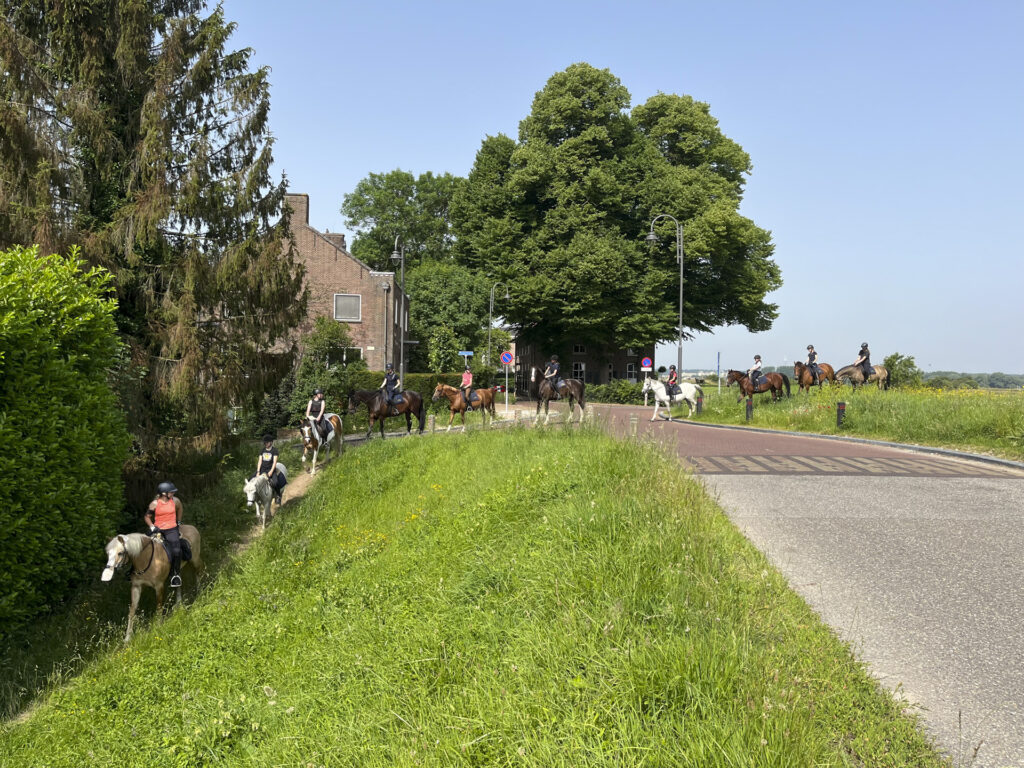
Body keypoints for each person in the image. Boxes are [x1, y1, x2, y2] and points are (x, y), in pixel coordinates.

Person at [144, 481, 183, 588]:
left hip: (171, 529)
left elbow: (180, 508)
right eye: (171, 492)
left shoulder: (175, 501)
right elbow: (147, 517)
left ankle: (175, 575)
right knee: (142, 546)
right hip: (158, 529)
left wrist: (179, 522)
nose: (173, 493)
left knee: (176, 551)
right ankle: (133, 571)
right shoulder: (154, 504)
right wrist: (152, 527)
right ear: (164, 493)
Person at [253, 434, 286, 503]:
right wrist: (258, 471)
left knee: (275, 482)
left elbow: (274, 462)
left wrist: (271, 471)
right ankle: (254, 497)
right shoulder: (262, 450)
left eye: (267, 442)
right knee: (251, 479)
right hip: (262, 469)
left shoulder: (274, 450)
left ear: (271, 442)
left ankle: (278, 495)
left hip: (271, 469)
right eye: (264, 442)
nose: (265, 444)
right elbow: (260, 461)